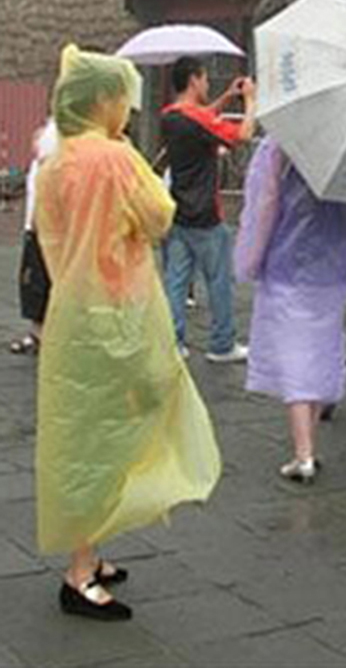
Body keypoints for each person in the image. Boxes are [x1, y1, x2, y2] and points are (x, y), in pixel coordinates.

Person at [36, 45, 221, 621]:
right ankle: (79, 573)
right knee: (115, 430)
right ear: (103, 101)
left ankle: (89, 552)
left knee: (82, 435)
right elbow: (160, 215)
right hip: (121, 311)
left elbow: (50, 234)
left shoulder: (56, 162)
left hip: (74, 313)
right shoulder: (115, 158)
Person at [235, 137, 346, 483]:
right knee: (321, 357)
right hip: (332, 271)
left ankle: (303, 454)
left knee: (295, 362)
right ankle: (308, 447)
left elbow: (264, 205)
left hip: (288, 266)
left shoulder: (282, 145)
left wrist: (251, 260)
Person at [161, 56, 256, 362]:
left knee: (176, 282)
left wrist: (227, 97)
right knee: (219, 281)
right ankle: (222, 344)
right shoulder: (197, 120)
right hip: (206, 216)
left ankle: (173, 343)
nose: (206, 84)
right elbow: (243, 135)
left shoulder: (170, 116)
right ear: (193, 80)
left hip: (178, 212)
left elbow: (201, 118)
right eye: (203, 79)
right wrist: (250, 101)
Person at [9, 121, 58, 355]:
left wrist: (36, 222)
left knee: (37, 282)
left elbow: (45, 187)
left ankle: (42, 335)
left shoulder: (57, 143)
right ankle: (38, 334)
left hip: (43, 228)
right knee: (36, 282)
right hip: (39, 226)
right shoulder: (52, 133)